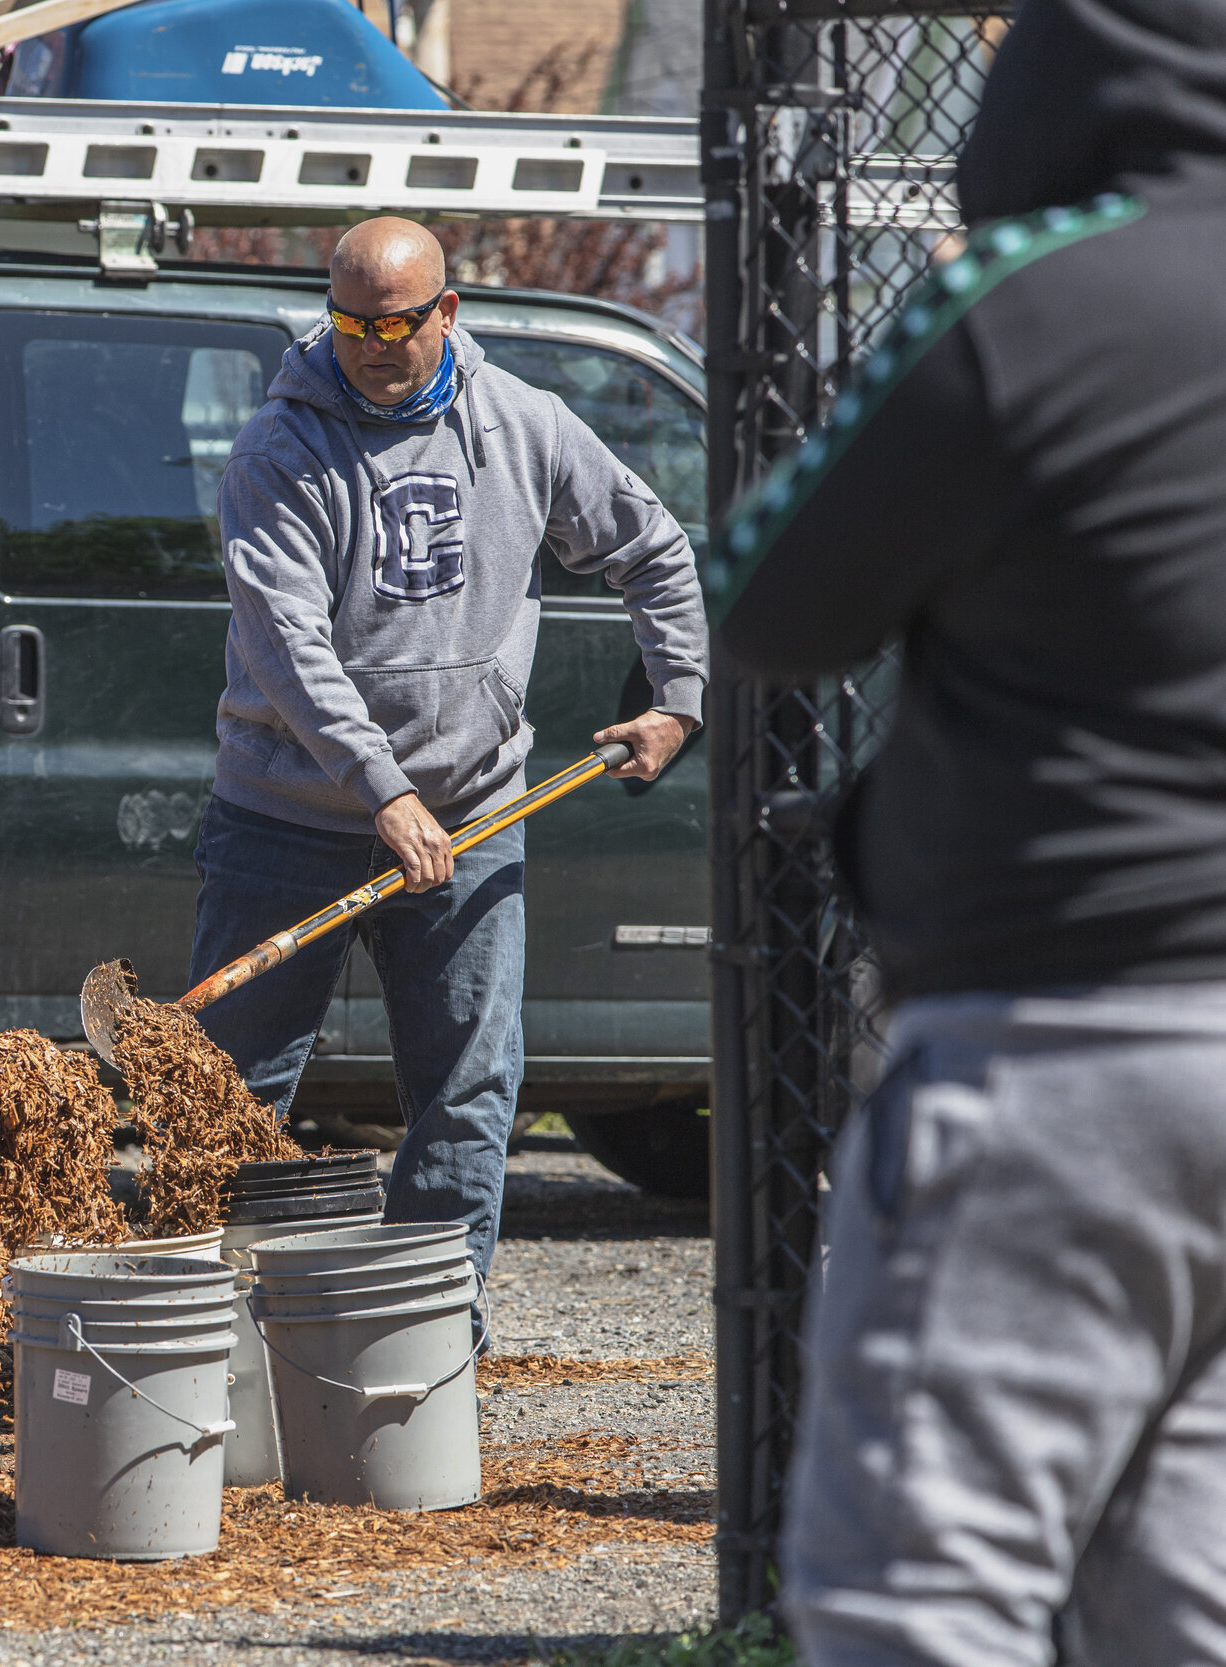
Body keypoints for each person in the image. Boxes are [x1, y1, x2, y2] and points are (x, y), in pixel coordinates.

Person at [718, 1, 1226, 1658]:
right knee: (1177, 1599)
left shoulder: (1042, 292)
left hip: (1056, 1041)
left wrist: (964, 302)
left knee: (924, 1599)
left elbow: (769, 597)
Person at [198, 216, 708, 1277]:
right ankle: (215, 1350)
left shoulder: (525, 424)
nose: (374, 342)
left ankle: (430, 1346)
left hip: (475, 814)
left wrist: (678, 697)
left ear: (447, 310)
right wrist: (381, 790)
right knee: (229, 1094)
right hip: (287, 818)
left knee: (466, 1095)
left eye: (397, 321)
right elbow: (288, 646)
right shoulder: (279, 451)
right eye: (350, 322)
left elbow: (652, 547)